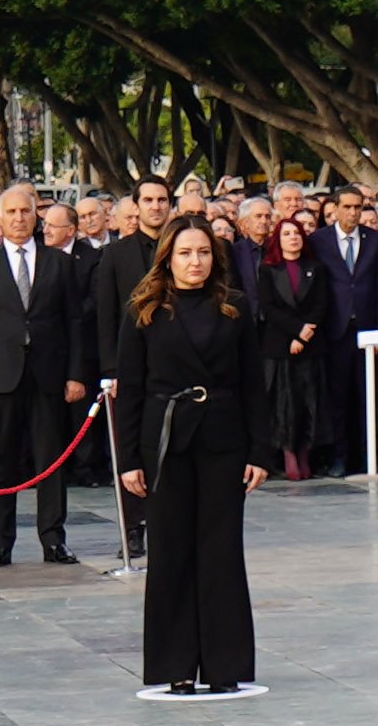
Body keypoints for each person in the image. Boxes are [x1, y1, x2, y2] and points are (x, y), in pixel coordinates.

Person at [116, 216, 271, 693]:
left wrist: (259, 450)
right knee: (171, 552)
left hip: (224, 441)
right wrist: (129, 460)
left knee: (222, 553)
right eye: (185, 253)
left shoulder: (236, 309)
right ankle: (175, 666)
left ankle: (225, 667)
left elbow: (252, 384)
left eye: (203, 252)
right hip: (164, 443)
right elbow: (132, 389)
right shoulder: (143, 311)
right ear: (168, 257)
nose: (194, 262)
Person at [0, 190, 94, 558]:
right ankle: (0, 543)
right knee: (0, 461)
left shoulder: (59, 263)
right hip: (0, 376)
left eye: (26, 211)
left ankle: (54, 538)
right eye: (11, 211)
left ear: (36, 217)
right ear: (0, 217)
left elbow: (76, 323)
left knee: (51, 459)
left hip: (48, 374)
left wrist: (75, 375)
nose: (19, 218)